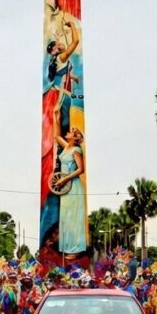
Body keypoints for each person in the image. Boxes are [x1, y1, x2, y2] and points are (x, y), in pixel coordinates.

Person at [52, 110, 87, 256]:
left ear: (77, 138)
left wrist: (64, 179)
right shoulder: (67, 147)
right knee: (66, 215)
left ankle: (76, 249)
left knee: (74, 216)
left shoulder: (77, 149)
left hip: (73, 186)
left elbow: (81, 169)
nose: (70, 131)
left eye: (74, 131)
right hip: (65, 187)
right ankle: (67, 247)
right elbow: (56, 135)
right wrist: (56, 117)